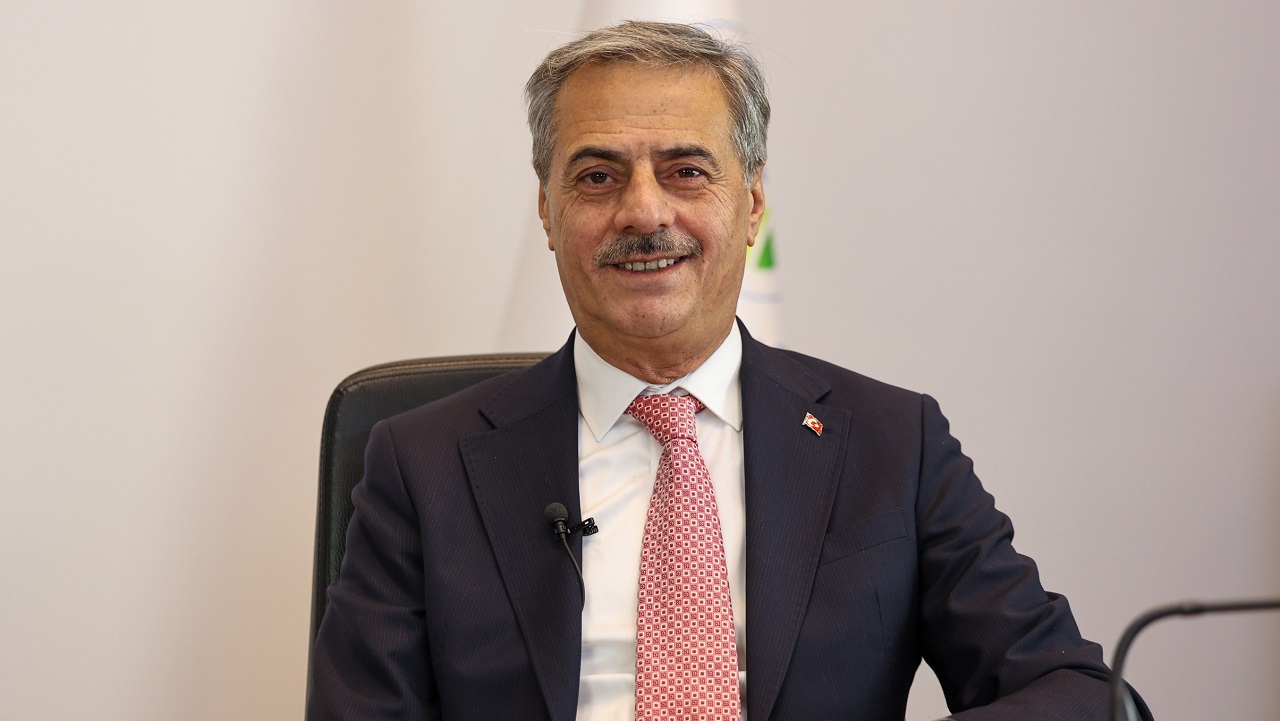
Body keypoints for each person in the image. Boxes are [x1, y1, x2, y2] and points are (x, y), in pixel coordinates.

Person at [307, 21, 1151, 721]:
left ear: (751, 203)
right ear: (548, 211)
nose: (644, 210)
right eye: (598, 176)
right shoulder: (421, 465)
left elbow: (1078, 692)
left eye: (687, 171)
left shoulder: (893, 443)